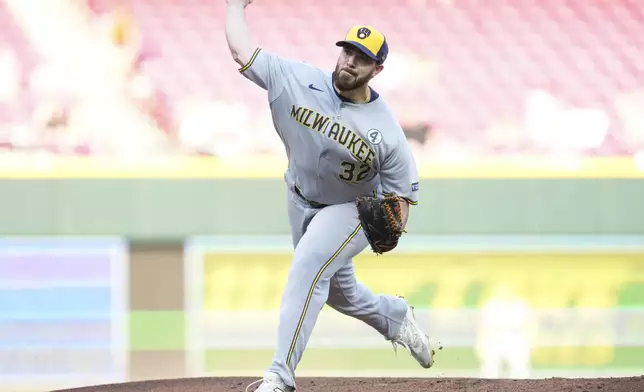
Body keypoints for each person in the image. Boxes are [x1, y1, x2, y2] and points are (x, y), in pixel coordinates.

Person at [224, 0, 436, 390]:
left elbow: (402, 199)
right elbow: (242, 51)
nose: (351, 61)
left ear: (377, 70)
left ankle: (279, 376)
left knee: (307, 264)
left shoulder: (386, 132)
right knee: (342, 295)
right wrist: (234, 5)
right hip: (299, 197)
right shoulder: (296, 79)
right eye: (348, 51)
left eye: (363, 58)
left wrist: (391, 225)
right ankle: (394, 317)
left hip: (350, 208)